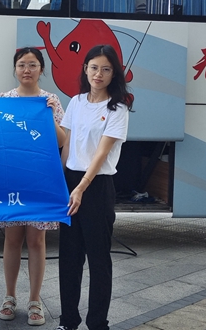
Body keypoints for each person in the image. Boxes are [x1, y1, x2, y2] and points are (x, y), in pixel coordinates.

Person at [56, 45, 133, 330]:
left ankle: (98, 322)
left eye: (106, 69)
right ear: (85, 69)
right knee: (69, 257)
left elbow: (101, 153)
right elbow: (68, 144)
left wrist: (82, 188)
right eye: (94, 67)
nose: (98, 74)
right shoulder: (76, 102)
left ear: (114, 74)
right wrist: (61, 180)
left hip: (97, 186)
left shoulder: (118, 108)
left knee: (99, 259)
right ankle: (68, 321)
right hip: (72, 182)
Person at [0, 47, 66, 326]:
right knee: (12, 239)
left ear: (41, 69)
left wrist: (48, 116)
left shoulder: (51, 100)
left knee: (36, 240)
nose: (27, 70)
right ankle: (9, 297)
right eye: (22, 64)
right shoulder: (4, 100)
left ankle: (35, 300)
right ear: (15, 69)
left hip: (40, 178)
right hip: (12, 177)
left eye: (33, 64)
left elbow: (61, 141)